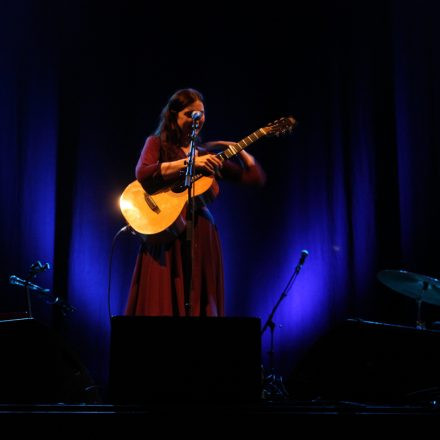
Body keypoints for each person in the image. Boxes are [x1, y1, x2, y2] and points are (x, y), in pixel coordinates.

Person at [125, 88, 266, 317]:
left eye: (201, 114)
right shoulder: (157, 144)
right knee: (162, 301)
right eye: (190, 114)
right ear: (174, 115)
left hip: (200, 232)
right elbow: (143, 172)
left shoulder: (206, 156)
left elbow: (254, 177)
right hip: (166, 232)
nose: (197, 120)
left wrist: (236, 147)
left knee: (199, 298)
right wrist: (190, 163)